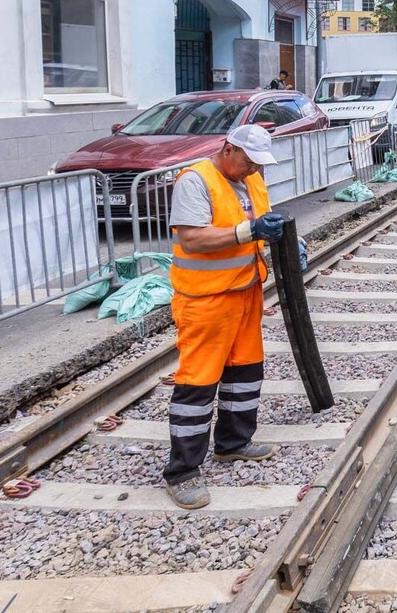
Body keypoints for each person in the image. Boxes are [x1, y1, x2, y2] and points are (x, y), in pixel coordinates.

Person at [163, 124, 287, 509]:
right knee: (198, 384)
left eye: (258, 165)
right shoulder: (196, 181)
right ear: (228, 149)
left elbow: (258, 228)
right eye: (248, 162)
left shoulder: (251, 181)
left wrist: (283, 240)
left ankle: (233, 442)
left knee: (245, 371)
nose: (253, 170)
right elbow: (192, 239)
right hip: (206, 300)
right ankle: (182, 472)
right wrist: (250, 230)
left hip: (244, 292)